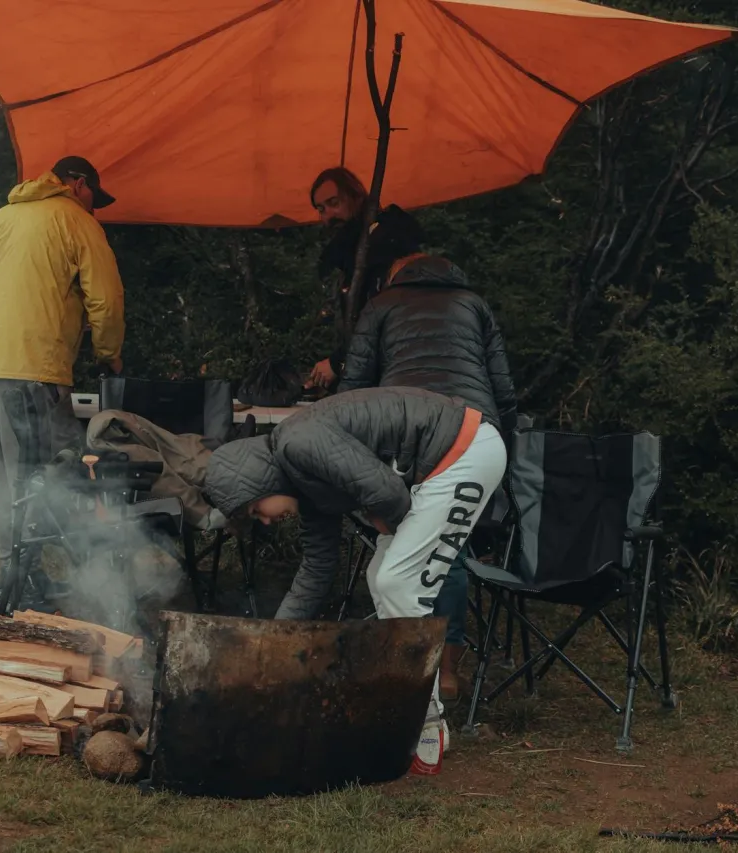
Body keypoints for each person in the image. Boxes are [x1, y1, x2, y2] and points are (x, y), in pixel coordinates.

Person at [203, 387, 507, 775]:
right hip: (440, 463)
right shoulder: (305, 481)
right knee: (381, 577)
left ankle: (427, 723)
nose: (263, 521)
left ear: (258, 483)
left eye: (253, 511)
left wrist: (386, 523)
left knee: (397, 582)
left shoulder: (298, 443)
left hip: (465, 450)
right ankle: (405, 709)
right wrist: (272, 644)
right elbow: (316, 570)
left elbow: (386, 493)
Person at [339, 253, 517, 702]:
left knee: (399, 557)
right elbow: (503, 386)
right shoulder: (473, 303)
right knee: (447, 554)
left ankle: (411, 683)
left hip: (407, 436)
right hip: (475, 433)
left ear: (396, 276)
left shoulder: (381, 303)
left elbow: (355, 385)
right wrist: (502, 446)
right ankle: (445, 672)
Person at [0, 155, 126, 609]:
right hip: (37, 371)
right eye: (94, 198)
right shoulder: (76, 221)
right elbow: (106, 301)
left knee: (5, 478)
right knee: (46, 474)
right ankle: (25, 585)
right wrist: (109, 355)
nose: (94, 208)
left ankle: (15, 579)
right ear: (78, 183)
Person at [306, 167, 423, 390]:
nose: (328, 215)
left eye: (334, 203)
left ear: (356, 197)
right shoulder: (349, 255)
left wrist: (338, 362)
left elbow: (385, 322)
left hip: (396, 380)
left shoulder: (385, 244)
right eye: (321, 209)